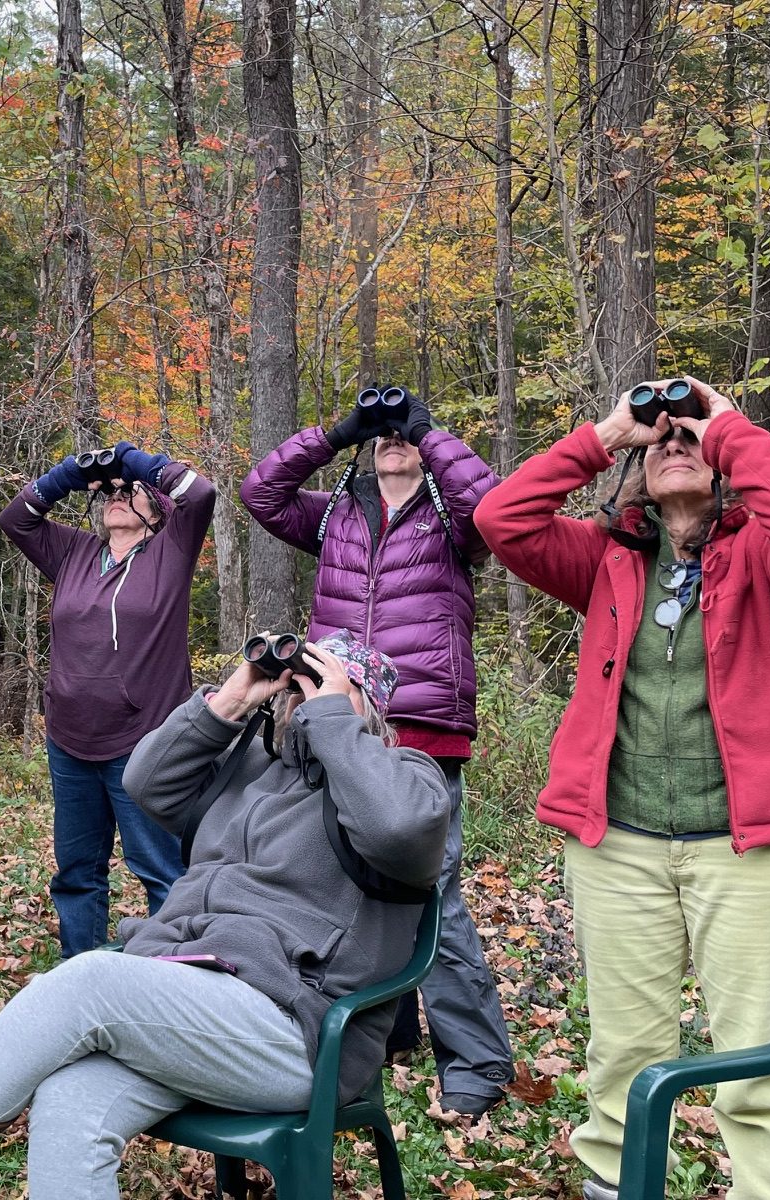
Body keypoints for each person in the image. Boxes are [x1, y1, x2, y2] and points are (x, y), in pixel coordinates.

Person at [0, 632, 448, 1200]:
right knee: (71, 1096)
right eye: (299, 687)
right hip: (196, 1000)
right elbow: (146, 783)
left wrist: (335, 718)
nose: (303, 700)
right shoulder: (254, 767)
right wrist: (231, 700)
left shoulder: (406, 777)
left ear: (366, 708)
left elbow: (399, 832)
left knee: (89, 981)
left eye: (324, 688)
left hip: (296, 1029)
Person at [475, 377, 770, 1200]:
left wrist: (729, 427)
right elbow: (501, 519)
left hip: (749, 849)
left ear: (722, 464)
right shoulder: (606, 557)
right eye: (661, 441)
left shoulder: (763, 555)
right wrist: (607, 433)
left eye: (691, 438)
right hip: (617, 845)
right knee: (624, 1052)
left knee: (761, 1057)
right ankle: (619, 1187)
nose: (675, 444)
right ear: (636, 471)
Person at [239, 388, 515, 1115]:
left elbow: (495, 508)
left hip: (423, 726)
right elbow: (260, 493)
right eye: (382, 432)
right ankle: (387, 1032)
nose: (393, 439)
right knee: (341, 880)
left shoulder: (452, 517)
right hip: (338, 722)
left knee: (432, 894)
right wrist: (336, 434)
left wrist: (429, 429)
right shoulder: (336, 511)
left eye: (403, 431)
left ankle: (477, 1063)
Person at [0, 441, 215, 958]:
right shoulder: (73, 552)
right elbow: (16, 519)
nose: (117, 496)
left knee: (160, 870)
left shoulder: (170, 551)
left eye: (131, 492)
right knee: (77, 872)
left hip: (144, 743)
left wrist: (133, 462)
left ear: (158, 510)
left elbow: (201, 494)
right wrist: (69, 474)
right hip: (69, 738)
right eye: (111, 492)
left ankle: (168, 975)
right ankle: (83, 971)